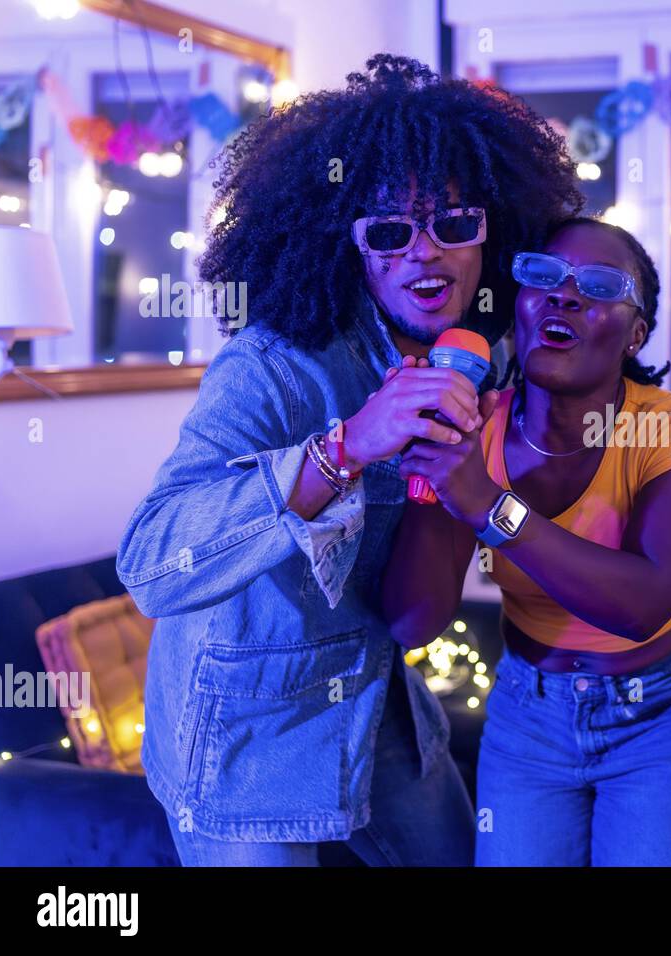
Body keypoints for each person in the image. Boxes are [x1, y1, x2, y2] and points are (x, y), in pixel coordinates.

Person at [116, 55, 583, 866]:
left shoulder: (482, 355)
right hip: (246, 731)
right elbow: (153, 563)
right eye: (391, 231)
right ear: (346, 242)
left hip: (376, 696)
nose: (425, 254)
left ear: (495, 229)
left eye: (455, 223)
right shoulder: (272, 366)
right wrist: (345, 447)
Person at [381, 217, 671, 866]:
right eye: (542, 276)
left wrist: (489, 505)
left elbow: (646, 603)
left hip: (656, 716)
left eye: (599, 286)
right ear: (519, 305)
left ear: (635, 334)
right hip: (526, 715)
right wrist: (434, 477)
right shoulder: (478, 429)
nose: (564, 295)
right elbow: (413, 621)